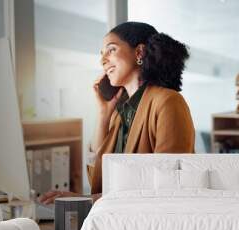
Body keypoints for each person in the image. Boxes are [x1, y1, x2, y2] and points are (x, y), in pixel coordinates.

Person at [39, 21, 195, 204]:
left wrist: (85, 200)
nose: (102, 60)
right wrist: (103, 116)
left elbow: (165, 185)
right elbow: (98, 181)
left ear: (139, 53)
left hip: (151, 223)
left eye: (111, 50)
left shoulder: (168, 102)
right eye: (102, 54)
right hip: (117, 221)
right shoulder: (119, 114)